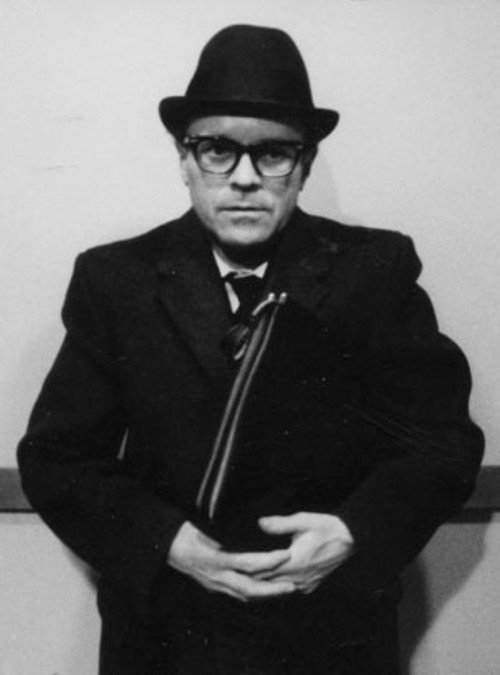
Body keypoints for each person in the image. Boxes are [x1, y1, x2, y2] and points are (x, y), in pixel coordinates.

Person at [18, 24, 484, 675]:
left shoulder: (374, 272)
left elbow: (443, 443)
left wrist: (352, 533)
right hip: (164, 639)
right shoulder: (116, 281)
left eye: (273, 154)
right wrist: (170, 543)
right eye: (217, 150)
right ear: (183, 160)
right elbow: (57, 459)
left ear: (305, 165)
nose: (243, 178)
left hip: (331, 637)